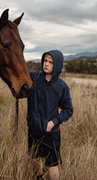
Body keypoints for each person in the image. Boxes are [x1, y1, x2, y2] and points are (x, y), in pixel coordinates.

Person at [26, 50, 73, 180]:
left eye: (50, 62)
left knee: (52, 163)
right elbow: (18, 73)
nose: (46, 64)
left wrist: (53, 122)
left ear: (57, 65)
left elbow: (68, 110)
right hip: (33, 128)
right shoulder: (34, 77)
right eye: (45, 61)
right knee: (35, 156)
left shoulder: (62, 86)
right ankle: (39, 177)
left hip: (50, 132)